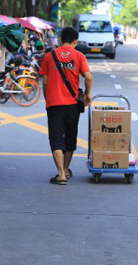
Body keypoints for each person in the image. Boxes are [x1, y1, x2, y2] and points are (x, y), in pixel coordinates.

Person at [39, 27, 93, 185]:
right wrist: (88, 95)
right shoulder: (79, 56)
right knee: (70, 137)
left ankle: (61, 173)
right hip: (72, 105)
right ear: (75, 41)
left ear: (61, 39)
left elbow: (46, 82)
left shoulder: (49, 56)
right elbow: (88, 77)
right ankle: (66, 169)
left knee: (56, 138)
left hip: (54, 104)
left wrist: (48, 98)